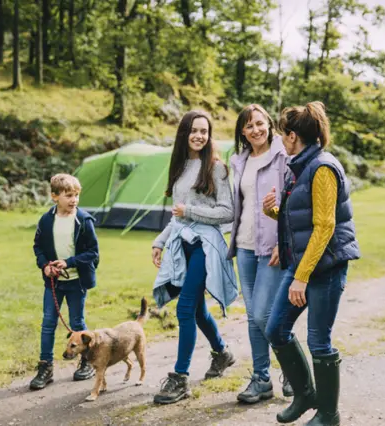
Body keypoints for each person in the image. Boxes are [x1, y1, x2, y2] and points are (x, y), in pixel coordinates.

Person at [263, 102, 360, 425]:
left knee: (319, 340)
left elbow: (325, 226)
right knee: (276, 329)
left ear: (292, 136)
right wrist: (273, 212)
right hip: (303, 265)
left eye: (281, 135)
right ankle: (305, 395)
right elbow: (301, 220)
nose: (280, 141)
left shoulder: (321, 168)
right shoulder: (301, 165)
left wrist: (301, 277)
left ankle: (329, 415)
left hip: (326, 268)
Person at [151, 110, 238, 405]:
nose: (200, 136)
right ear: (184, 133)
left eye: (205, 131)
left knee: (185, 308)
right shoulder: (179, 167)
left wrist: (191, 211)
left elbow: (227, 212)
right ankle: (222, 353)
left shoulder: (216, 168)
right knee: (198, 310)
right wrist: (160, 241)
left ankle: (180, 378)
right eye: (194, 130)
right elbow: (177, 216)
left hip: (205, 246)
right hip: (182, 244)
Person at [227, 104, 292, 403]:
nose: (256, 130)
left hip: (272, 248)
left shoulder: (284, 156)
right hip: (244, 246)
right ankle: (261, 379)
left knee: (266, 315)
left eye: (260, 123)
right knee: (253, 317)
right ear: (242, 131)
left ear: (269, 124)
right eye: (249, 126)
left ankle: (293, 371)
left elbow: (293, 204)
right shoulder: (238, 161)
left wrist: (283, 240)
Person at [30, 173, 100, 390]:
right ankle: (46, 367)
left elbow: (93, 253)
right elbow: (38, 248)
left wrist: (69, 262)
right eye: (69, 195)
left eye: (76, 195)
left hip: (77, 283)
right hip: (54, 283)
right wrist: (45, 266)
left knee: (78, 323)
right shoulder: (46, 220)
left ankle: (86, 362)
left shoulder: (84, 221)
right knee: (48, 323)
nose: (74, 200)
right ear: (54, 197)